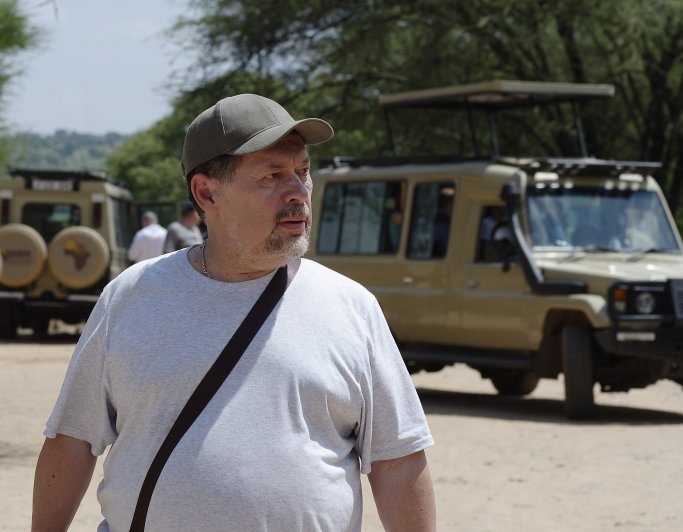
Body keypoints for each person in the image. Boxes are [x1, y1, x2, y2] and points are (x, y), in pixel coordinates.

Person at [32, 94, 436, 531]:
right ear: (206, 193)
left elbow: (397, 459)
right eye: (272, 176)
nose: (298, 192)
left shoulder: (351, 306)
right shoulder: (131, 296)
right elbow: (73, 440)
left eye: (302, 171)